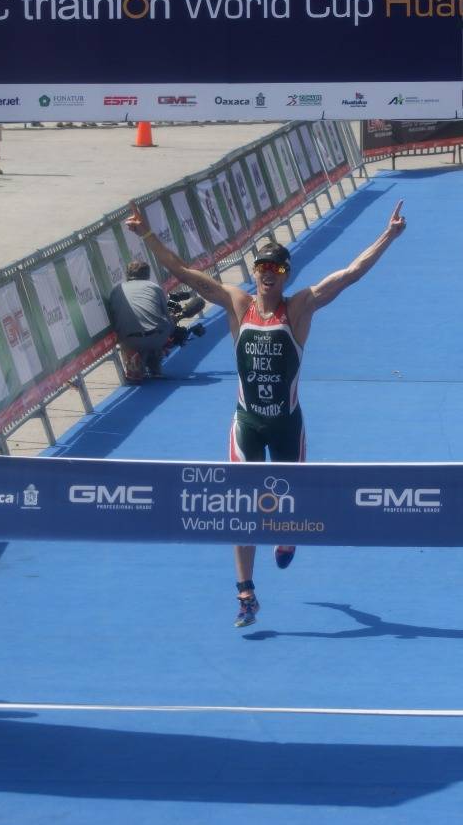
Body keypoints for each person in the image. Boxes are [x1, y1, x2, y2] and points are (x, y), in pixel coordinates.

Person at [125, 199, 407, 627]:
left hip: (287, 425)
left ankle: (287, 536)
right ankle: (245, 593)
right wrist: (146, 234)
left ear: (286, 274)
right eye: (261, 267)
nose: (267, 274)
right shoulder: (238, 304)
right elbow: (183, 272)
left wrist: (388, 235)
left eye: (275, 268)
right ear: (254, 272)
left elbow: (350, 274)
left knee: (289, 504)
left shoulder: (300, 307)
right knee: (243, 507)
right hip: (248, 423)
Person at [106, 261, 173, 382]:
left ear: (127, 275)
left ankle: (134, 361)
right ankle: (154, 365)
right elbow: (167, 317)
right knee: (163, 327)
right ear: (147, 274)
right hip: (156, 337)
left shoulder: (116, 290)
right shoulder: (154, 287)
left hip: (129, 340)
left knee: (131, 334)